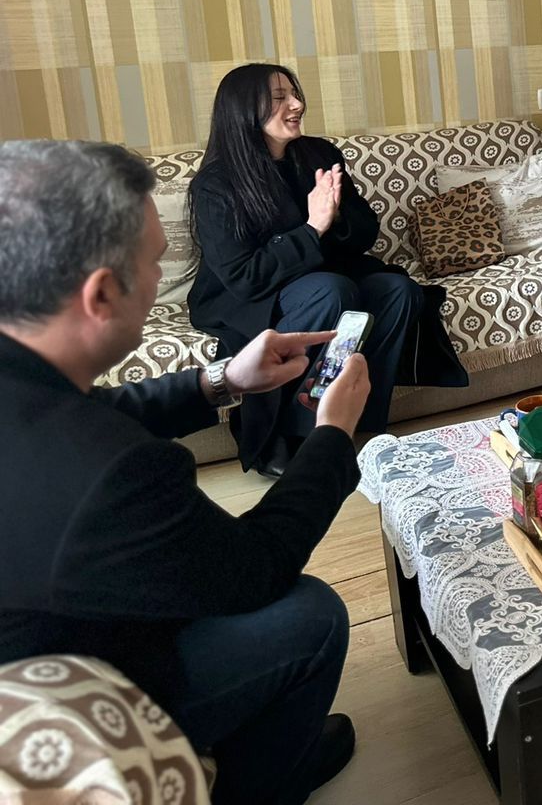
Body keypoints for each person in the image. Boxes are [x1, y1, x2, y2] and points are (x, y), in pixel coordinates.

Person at [0, 139, 371, 805]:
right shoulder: (114, 473)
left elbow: (93, 411)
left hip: (40, 623)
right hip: (64, 696)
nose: (159, 279)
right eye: (154, 262)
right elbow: (255, 567)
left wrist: (221, 380)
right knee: (309, 614)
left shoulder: (27, 387)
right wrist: (333, 437)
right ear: (101, 293)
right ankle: (264, 783)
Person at [188, 64, 465, 477]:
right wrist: (311, 228)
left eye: (294, 94)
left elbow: (365, 231)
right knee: (330, 291)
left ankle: (359, 423)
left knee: (399, 291)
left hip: (324, 276)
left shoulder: (318, 154)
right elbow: (244, 276)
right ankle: (294, 433)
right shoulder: (215, 184)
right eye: (279, 98)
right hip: (248, 293)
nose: (297, 104)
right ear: (244, 110)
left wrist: (334, 216)